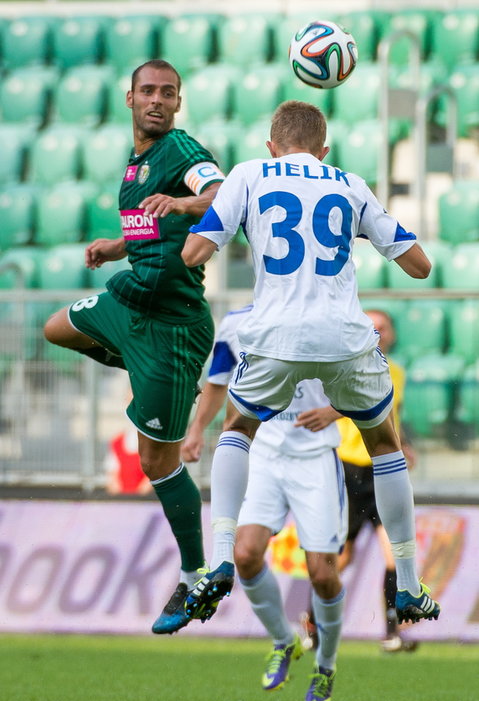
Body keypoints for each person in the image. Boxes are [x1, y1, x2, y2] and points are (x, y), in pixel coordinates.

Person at [181, 100, 440, 638]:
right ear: (325, 150)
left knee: (238, 429)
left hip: (275, 335)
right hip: (344, 337)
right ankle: (411, 582)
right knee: (386, 446)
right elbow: (420, 266)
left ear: (270, 145)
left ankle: (222, 556)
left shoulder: (250, 174)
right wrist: (361, 228)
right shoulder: (348, 182)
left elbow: (194, 252)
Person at [43, 59, 224, 635]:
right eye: (148, 91)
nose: (157, 100)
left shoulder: (179, 150)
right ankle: (151, 378)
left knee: (156, 462)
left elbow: (220, 195)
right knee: (55, 328)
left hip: (172, 324)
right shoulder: (136, 165)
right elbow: (153, 231)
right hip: (129, 300)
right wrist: (117, 246)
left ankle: (195, 572)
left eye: (168, 93)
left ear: (177, 102)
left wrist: (185, 204)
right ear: (129, 99)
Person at [182, 304, 347, 701]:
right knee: (245, 552)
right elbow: (218, 383)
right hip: (264, 454)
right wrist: (196, 430)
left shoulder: (333, 315)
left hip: (316, 460)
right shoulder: (237, 322)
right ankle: (282, 640)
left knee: (323, 575)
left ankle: (325, 665)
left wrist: (335, 410)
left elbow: (367, 384)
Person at [337, 308, 419, 652]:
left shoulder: (396, 373)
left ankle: (391, 633)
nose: (378, 333)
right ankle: (311, 619)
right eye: (371, 327)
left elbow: (389, 417)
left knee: (394, 554)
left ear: (393, 335)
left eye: (383, 328)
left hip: (382, 470)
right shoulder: (342, 369)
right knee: (342, 557)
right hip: (347, 469)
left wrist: (404, 446)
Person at [104, 424, 152, 496]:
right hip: (122, 498)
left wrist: (141, 494)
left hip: (145, 499)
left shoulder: (152, 443)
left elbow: (152, 478)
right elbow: (112, 475)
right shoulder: (117, 442)